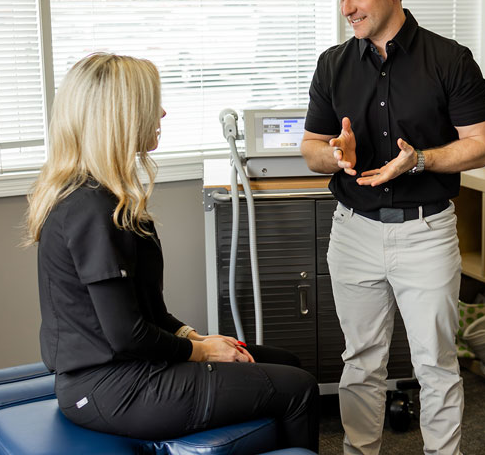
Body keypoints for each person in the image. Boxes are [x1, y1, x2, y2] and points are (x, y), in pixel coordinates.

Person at [25, 53, 319, 450]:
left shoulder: (108, 195)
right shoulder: (89, 208)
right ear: (121, 116)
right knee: (298, 388)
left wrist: (197, 337)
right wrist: (200, 352)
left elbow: (146, 310)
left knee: (285, 362)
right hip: (111, 388)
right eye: (152, 105)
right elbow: (127, 336)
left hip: (129, 367)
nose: (161, 113)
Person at [301, 0, 485, 455]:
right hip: (354, 231)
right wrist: (335, 155)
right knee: (360, 360)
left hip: (425, 232)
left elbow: (481, 146)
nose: (347, 9)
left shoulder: (450, 60)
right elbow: (311, 148)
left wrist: (422, 159)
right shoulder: (333, 64)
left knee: (435, 362)